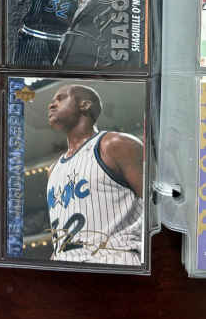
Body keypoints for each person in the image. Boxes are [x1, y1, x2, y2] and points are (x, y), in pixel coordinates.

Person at [46, 84, 143, 264]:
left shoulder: (115, 145)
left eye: (60, 99)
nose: (51, 105)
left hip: (115, 261)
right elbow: (59, 237)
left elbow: (158, 207)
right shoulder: (53, 170)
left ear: (85, 105)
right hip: (68, 268)